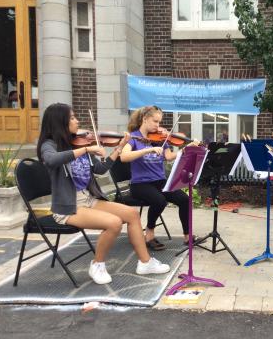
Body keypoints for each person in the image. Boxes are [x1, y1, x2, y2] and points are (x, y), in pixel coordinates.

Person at [37, 103, 170, 285]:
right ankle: (97, 264)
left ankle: (145, 263)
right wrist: (86, 150)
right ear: (60, 122)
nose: (77, 121)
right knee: (114, 223)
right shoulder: (50, 145)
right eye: (73, 118)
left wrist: (118, 148)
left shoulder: (79, 141)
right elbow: (51, 160)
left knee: (131, 214)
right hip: (68, 207)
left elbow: (100, 169)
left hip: (89, 199)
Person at [120, 106, 200, 250]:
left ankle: (188, 236)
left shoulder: (160, 139)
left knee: (184, 199)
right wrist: (148, 149)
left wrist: (187, 148)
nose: (158, 126)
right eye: (155, 121)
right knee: (160, 201)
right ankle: (149, 233)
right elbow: (124, 157)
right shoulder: (133, 137)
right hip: (140, 184)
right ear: (145, 119)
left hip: (159, 181)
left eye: (159, 122)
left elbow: (169, 157)